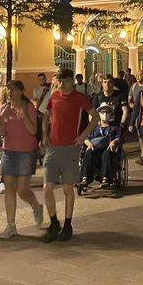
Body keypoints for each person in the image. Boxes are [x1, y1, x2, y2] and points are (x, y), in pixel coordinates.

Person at [42, 67, 93, 242]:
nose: (62, 84)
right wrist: (44, 134)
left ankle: (68, 223)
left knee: (67, 187)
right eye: (60, 81)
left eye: (65, 81)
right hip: (53, 147)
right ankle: (53, 221)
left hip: (71, 147)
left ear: (72, 81)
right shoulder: (54, 96)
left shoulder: (79, 98)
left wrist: (83, 135)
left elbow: (94, 116)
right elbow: (46, 114)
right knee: (47, 187)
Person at [0, 80, 44, 239]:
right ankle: (11, 225)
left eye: (13, 89)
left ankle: (36, 206)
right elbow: (0, 134)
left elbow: (33, 130)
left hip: (26, 151)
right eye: (8, 89)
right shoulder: (4, 108)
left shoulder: (28, 107)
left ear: (21, 91)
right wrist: (2, 119)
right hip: (9, 151)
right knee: (9, 188)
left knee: (22, 189)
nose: (9, 92)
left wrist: (24, 116)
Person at [80, 103, 125, 190]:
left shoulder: (114, 127)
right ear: (99, 114)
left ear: (110, 114)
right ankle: (84, 178)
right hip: (95, 149)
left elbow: (120, 138)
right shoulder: (93, 127)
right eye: (102, 112)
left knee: (106, 154)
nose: (105, 114)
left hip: (108, 149)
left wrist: (114, 142)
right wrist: (89, 143)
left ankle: (105, 178)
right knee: (88, 153)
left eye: (107, 112)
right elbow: (85, 137)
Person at [127, 70, 143, 165]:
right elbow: (129, 99)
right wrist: (132, 105)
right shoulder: (134, 86)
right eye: (137, 75)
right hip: (138, 114)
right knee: (140, 134)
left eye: (140, 75)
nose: (138, 76)